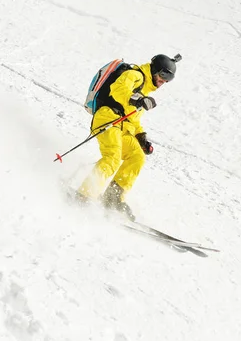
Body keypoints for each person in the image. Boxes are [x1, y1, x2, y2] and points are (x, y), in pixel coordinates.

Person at [76, 54, 181, 221]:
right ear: (154, 70)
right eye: (163, 75)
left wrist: (141, 137)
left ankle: (112, 198)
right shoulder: (135, 75)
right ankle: (83, 196)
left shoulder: (146, 88)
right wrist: (138, 99)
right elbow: (118, 89)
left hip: (123, 126)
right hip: (108, 118)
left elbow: (134, 118)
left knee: (137, 157)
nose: (163, 81)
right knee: (112, 158)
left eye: (168, 79)